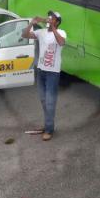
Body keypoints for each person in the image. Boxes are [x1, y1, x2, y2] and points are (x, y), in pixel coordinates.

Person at [22, 10, 66, 141]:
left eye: (52, 18)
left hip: (53, 72)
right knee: (43, 100)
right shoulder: (41, 33)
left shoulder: (61, 32)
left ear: (57, 22)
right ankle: (48, 124)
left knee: (50, 102)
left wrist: (53, 27)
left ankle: (49, 130)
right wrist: (32, 23)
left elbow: (62, 42)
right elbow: (24, 35)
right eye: (48, 17)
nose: (48, 19)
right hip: (41, 70)